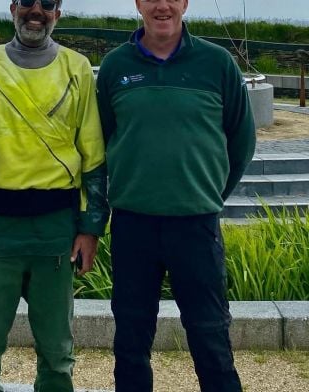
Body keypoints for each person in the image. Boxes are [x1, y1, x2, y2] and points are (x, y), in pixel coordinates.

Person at [0, 1, 109, 391]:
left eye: (47, 3)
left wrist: (91, 228)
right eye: (27, 2)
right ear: (12, 8)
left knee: (57, 345)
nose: (36, 10)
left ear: (58, 12)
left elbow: (94, 157)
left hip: (56, 230)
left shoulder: (78, 68)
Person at [96, 0, 256, 391]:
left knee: (210, 334)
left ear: (185, 3)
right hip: (133, 224)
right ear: (138, 3)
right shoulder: (116, 66)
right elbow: (98, 142)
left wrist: (208, 190)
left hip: (196, 225)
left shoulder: (217, 63)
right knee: (131, 339)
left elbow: (242, 140)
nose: (162, 5)